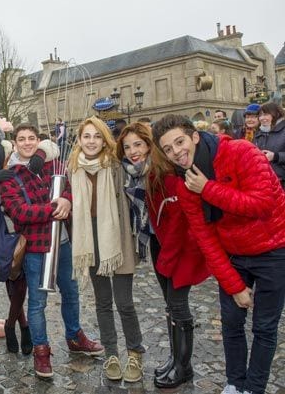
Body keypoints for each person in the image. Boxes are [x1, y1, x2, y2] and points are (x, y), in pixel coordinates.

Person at [152, 114, 285, 394]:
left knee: (264, 327)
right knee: (231, 324)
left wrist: (208, 189)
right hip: (233, 253)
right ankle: (235, 384)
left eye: (180, 142)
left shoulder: (240, 151)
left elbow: (263, 204)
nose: (177, 152)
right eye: (168, 149)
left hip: (274, 247)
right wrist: (234, 286)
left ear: (195, 137)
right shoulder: (186, 181)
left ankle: (254, 388)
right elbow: (205, 238)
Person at [0, 124, 103, 378]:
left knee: (71, 292)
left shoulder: (50, 163)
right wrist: (54, 209)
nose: (26, 143)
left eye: (31, 138)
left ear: (38, 140)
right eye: (21, 139)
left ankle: (74, 337)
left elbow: (68, 183)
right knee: (37, 303)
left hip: (64, 242)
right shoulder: (9, 175)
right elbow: (19, 212)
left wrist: (66, 198)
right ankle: (41, 352)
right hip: (35, 248)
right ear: (15, 143)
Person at [117, 122, 210, 388]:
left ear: (149, 145)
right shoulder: (136, 174)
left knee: (179, 305)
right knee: (170, 305)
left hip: (181, 247)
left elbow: (181, 220)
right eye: (127, 147)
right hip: (160, 244)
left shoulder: (165, 174)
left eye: (138, 144)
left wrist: (167, 255)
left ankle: (184, 367)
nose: (133, 151)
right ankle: (175, 359)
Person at [68, 117, 144, 382]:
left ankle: (135, 353)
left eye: (96, 136)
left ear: (104, 139)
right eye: (86, 136)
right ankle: (111, 353)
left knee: (124, 302)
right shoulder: (73, 168)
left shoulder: (116, 166)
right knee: (102, 303)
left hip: (117, 239)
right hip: (89, 240)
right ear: (79, 139)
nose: (91, 141)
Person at [0, 125, 56, 355]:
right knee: (14, 280)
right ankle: (19, 325)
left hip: (27, 228)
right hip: (1, 232)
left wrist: (39, 154)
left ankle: (15, 324)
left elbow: (49, 145)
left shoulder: (9, 153)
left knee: (23, 280)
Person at [252, 102, 285, 189]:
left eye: (266, 114)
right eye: (260, 115)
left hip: (281, 182)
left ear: (276, 114)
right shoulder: (259, 133)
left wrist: (275, 156)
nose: (262, 118)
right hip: (264, 182)